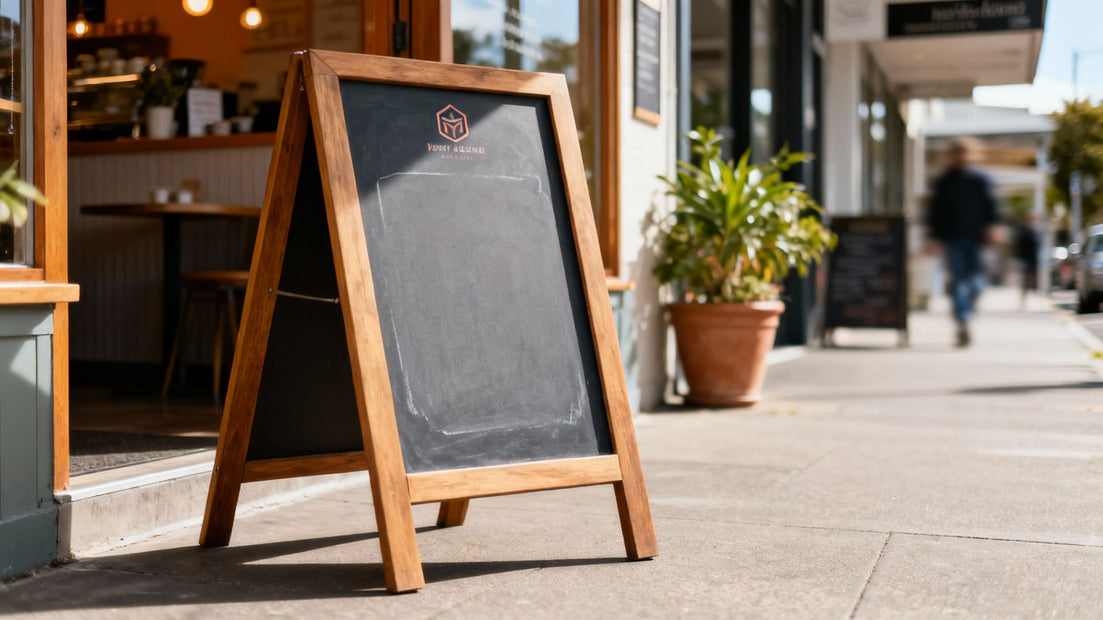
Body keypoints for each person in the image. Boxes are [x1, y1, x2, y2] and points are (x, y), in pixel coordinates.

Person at [926, 138, 999, 347]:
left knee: (977, 282)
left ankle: (965, 311)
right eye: (957, 153)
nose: (961, 157)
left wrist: (994, 228)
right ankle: (963, 320)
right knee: (959, 280)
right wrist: (933, 238)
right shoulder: (944, 182)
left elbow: (990, 208)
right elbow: (935, 213)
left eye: (965, 153)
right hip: (953, 238)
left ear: (972, 155)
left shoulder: (980, 180)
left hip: (976, 239)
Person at [1013, 214, 1040, 309]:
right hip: (1027, 259)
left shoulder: (1033, 231)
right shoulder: (1025, 232)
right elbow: (1020, 246)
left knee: (1030, 278)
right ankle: (1024, 297)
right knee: (1026, 279)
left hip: (1032, 259)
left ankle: (1026, 296)